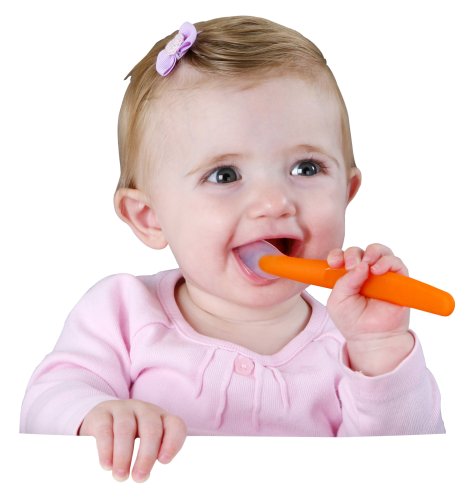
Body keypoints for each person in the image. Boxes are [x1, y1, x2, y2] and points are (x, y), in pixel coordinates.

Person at [20, 16, 445, 482]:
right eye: (225, 175)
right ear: (149, 217)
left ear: (347, 191)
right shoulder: (121, 313)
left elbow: (405, 472)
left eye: (306, 168)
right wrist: (97, 415)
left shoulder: (351, 346)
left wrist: (380, 349)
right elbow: (44, 405)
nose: (274, 202)